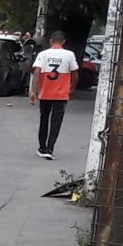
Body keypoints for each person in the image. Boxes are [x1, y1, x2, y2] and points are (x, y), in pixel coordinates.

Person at [30, 30, 79, 159]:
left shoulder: (43, 54)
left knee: (44, 119)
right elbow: (75, 74)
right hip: (61, 94)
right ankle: (50, 148)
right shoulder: (69, 55)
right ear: (63, 41)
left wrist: (33, 91)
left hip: (45, 92)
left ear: (51, 41)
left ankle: (42, 147)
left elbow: (36, 73)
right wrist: (71, 88)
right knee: (56, 122)